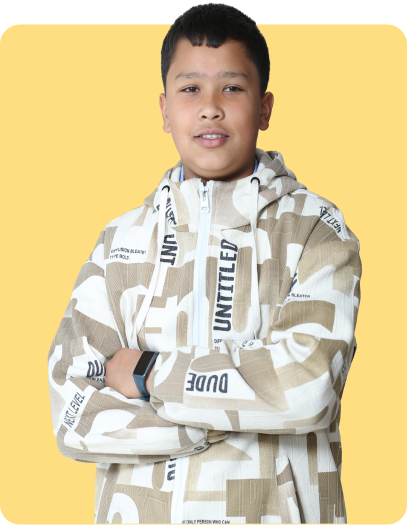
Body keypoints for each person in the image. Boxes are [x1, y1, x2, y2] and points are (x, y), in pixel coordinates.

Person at [47, 5, 362, 524]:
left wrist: (149, 374)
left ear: (264, 108)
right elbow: (73, 414)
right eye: (190, 89)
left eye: (232, 88)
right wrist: (236, 415)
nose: (211, 108)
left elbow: (309, 386)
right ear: (165, 110)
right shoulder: (121, 241)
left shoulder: (315, 229)